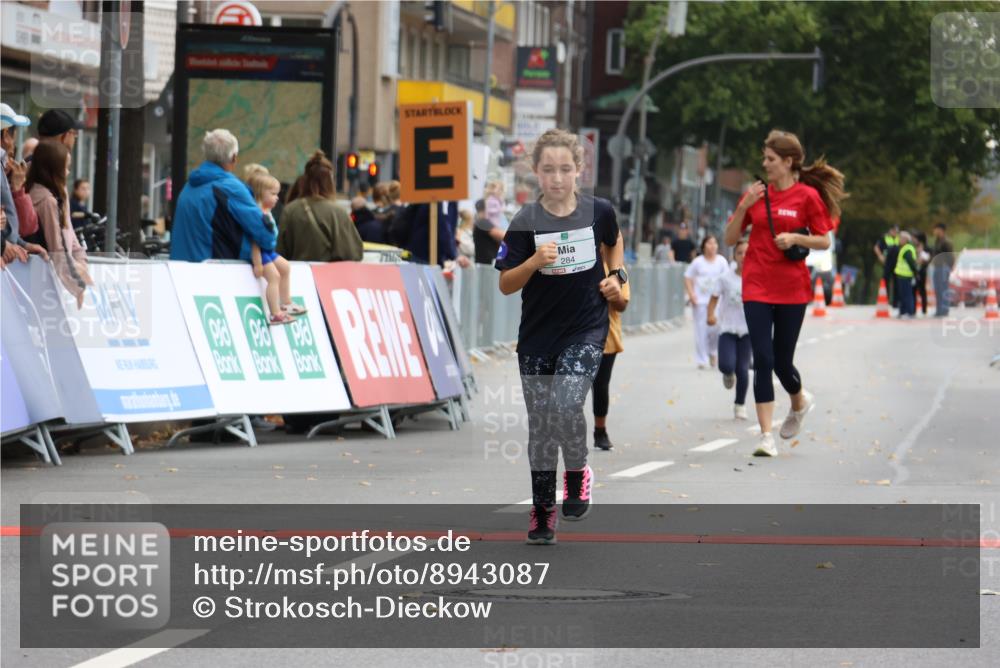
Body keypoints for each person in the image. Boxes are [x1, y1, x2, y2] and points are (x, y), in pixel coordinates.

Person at [495, 128, 624, 545]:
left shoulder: (598, 211)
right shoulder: (525, 221)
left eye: (565, 169)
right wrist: (534, 260)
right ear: (535, 171)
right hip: (537, 336)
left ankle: (577, 471)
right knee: (541, 427)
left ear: (579, 171)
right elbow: (506, 284)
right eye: (548, 169)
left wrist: (616, 278)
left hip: (585, 328)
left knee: (567, 401)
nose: (556, 178)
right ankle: (542, 512)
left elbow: (614, 242)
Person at [724, 129, 844, 457]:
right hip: (757, 285)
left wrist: (795, 239)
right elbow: (731, 238)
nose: (765, 164)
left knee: (781, 362)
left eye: (771, 159)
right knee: (762, 359)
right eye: (765, 158)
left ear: (788, 162)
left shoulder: (807, 197)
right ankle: (766, 436)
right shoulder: (755, 195)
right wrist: (745, 204)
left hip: (792, 289)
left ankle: (798, 401)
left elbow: (823, 240)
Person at [170, 129, 277, 263]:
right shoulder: (231, 188)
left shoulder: (189, 186)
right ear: (234, 157)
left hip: (179, 274)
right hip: (216, 275)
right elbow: (266, 236)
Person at [26, 140, 91, 307]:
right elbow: (57, 247)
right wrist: (77, 285)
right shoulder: (47, 200)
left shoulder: (51, 194)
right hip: (43, 281)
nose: (68, 172)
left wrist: (80, 260)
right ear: (52, 168)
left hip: (48, 277)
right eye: (65, 166)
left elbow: (68, 233)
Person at [276, 150, 363, 262]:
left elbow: (281, 252)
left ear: (306, 180)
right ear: (330, 182)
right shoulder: (338, 212)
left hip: (298, 275)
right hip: (329, 276)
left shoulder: (290, 209)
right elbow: (353, 253)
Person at [247, 172, 304, 325]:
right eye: (272, 194)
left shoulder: (267, 212)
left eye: (277, 194)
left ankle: (286, 303)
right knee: (274, 277)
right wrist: (258, 263)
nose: (277, 198)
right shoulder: (257, 214)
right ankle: (275, 313)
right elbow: (255, 241)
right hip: (261, 253)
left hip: (269, 251)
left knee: (285, 267)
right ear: (260, 193)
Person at [707, 239, 752, 420]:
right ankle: (727, 373)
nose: (744, 257)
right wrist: (710, 314)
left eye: (747, 253)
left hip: (748, 330)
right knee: (726, 364)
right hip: (727, 328)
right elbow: (714, 298)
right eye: (740, 253)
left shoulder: (757, 277)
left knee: (743, 369)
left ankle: (740, 405)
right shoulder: (725, 278)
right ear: (734, 256)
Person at [592, 250, 630, 451]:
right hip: (575, 333)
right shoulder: (582, 260)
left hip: (607, 336)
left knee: (600, 385)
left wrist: (611, 293)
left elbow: (622, 304)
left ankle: (600, 430)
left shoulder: (617, 270)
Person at [684, 235, 728, 369]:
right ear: (704, 246)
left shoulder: (721, 261)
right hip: (701, 301)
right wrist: (691, 294)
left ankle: (712, 352)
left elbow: (727, 279)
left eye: (715, 243)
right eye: (709, 243)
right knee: (701, 331)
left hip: (717, 302)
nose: (712, 246)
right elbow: (688, 277)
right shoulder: (698, 262)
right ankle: (701, 360)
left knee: (715, 330)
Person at [930, 223, 955, 317]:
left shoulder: (946, 242)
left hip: (943, 267)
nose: (934, 231)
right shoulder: (937, 241)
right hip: (937, 267)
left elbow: (950, 255)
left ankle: (944, 310)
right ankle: (939, 309)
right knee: (937, 289)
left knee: (943, 289)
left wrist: (950, 267)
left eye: (936, 229)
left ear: (941, 230)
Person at [874, 224, 900, 307]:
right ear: (890, 230)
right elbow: (876, 247)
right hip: (887, 263)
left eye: (896, 231)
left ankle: (896, 302)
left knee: (896, 283)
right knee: (885, 282)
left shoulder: (899, 239)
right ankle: (886, 300)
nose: (895, 233)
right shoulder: (884, 238)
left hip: (897, 264)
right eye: (894, 231)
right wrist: (880, 256)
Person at [894, 230, 918, 319]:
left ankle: (909, 312)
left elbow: (911, 262)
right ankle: (903, 311)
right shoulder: (906, 248)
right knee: (904, 294)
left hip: (905, 275)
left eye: (900, 238)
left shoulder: (907, 249)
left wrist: (915, 273)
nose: (899, 240)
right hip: (902, 275)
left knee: (907, 295)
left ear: (905, 239)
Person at [473, 198, 505, 264]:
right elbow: (503, 236)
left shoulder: (479, 222)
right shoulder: (483, 222)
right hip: (487, 265)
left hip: (484, 263)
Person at [914, 231, 931, 316]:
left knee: (922, 290)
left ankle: (924, 309)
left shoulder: (927, 248)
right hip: (914, 271)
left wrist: (921, 253)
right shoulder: (914, 247)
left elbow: (927, 259)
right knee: (913, 289)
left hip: (922, 271)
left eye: (916, 239)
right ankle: (913, 309)